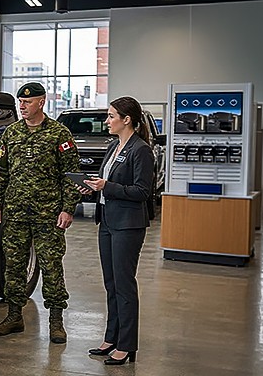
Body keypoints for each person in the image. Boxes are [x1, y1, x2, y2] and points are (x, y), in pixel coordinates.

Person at [0, 82, 81, 344]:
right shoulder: (12, 133)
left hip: (48, 214)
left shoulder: (59, 134)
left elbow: (70, 175)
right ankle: (14, 316)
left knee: (51, 266)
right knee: (14, 266)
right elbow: (1, 172)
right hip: (16, 213)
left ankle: (56, 321)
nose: (22, 106)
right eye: (20, 102)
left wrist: (67, 208)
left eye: (27, 102)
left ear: (41, 102)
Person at [77, 96, 154, 365]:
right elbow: (107, 182)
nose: (106, 121)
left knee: (124, 285)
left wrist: (106, 187)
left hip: (128, 225)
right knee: (111, 284)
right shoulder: (114, 146)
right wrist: (91, 187)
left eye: (111, 116)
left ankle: (127, 345)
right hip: (108, 221)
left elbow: (142, 192)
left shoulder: (140, 150)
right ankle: (111, 337)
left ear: (126, 119)